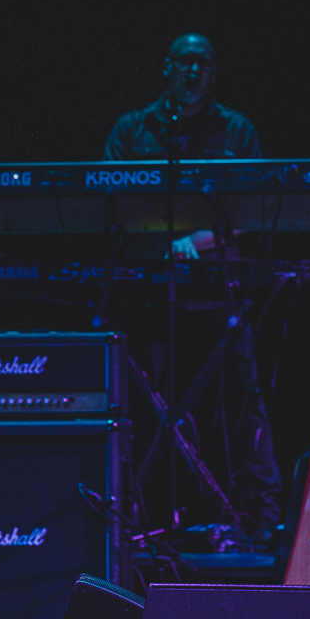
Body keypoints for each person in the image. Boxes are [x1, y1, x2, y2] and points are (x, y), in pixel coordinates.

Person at [102, 35, 282, 547]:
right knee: (143, 406)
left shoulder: (236, 131)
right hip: (146, 300)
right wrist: (159, 245)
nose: (193, 71)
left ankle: (261, 521)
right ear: (167, 68)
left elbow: (255, 214)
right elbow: (107, 203)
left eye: (203, 63)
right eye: (185, 61)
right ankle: (137, 515)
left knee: (240, 402)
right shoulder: (132, 130)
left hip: (217, 294)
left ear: (214, 73)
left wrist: (197, 242)